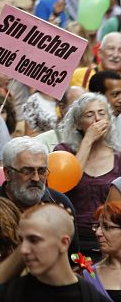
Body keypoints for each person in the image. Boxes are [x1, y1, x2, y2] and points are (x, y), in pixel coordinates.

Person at [55, 93, 121, 260]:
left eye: (102, 113)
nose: (97, 119)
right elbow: (68, 181)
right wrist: (88, 141)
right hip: (71, 239)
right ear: (78, 124)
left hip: (110, 242)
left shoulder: (119, 158)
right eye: (89, 115)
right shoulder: (64, 152)